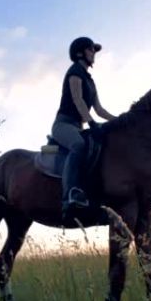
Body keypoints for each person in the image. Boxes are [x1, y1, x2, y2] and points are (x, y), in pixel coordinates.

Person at [52, 36, 116, 217]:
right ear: (80, 53)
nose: (94, 53)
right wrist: (92, 122)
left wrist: (120, 121)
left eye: (94, 50)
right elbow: (77, 99)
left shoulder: (90, 81)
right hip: (63, 124)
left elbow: (100, 109)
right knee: (78, 145)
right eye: (91, 49)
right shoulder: (74, 72)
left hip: (79, 125)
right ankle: (70, 195)